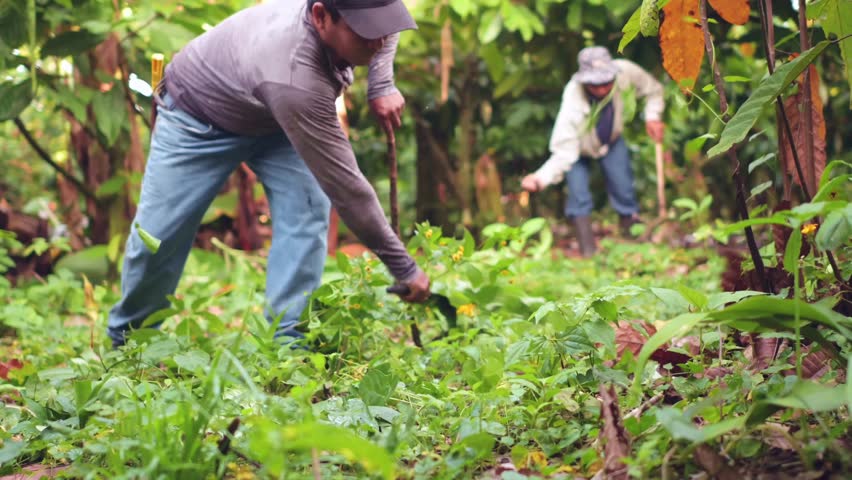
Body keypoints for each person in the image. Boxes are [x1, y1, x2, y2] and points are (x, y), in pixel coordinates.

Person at [107, 0, 431, 348]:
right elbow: (349, 191)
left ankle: (288, 342)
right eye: (365, 32)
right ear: (321, 17)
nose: (379, 39)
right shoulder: (295, 74)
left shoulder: (362, 21)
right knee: (158, 235)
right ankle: (130, 340)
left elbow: (384, 22)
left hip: (275, 122)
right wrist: (404, 267)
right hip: (197, 117)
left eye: (382, 26)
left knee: (306, 213)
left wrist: (381, 82)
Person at [521, 46, 664, 257]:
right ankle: (588, 253)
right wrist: (540, 178)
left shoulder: (625, 72)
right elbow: (563, 151)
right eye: (595, 84)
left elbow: (653, 90)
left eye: (607, 82)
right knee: (578, 195)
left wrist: (653, 116)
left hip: (612, 141)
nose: (602, 89)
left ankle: (633, 241)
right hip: (577, 150)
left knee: (623, 186)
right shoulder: (573, 100)